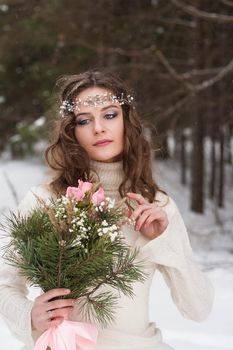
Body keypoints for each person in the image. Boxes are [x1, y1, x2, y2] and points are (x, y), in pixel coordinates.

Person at [0, 70, 214, 350]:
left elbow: (198, 309)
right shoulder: (45, 200)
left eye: (110, 115)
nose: (98, 128)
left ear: (127, 120)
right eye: (84, 120)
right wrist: (30, 315)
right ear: (71, 131)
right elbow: (5, 285)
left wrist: (166, 238)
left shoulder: (156, 206)